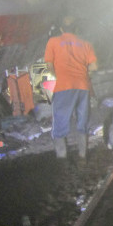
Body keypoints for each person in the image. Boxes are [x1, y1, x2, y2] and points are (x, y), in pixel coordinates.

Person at [43, 15, 97, 161]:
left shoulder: (53, 42)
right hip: (82, 86)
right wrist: (84, 74)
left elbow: (48, 66)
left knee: (60, 124)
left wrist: (57, 78)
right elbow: (94, 66)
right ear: (76, 29)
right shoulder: (85, 43)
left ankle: (62, 159)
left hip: (63, 87)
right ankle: (82, 156)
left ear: (61, 29)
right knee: (82, 121)